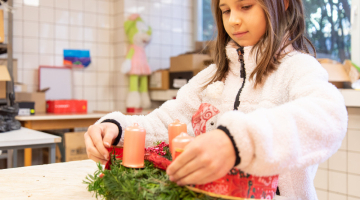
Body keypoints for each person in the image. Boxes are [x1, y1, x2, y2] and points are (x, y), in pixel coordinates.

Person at [84, 0, 347, 199]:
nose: (233, 20)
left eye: (245, 6)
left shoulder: (298, 69)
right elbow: (166, 123)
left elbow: (328, 116)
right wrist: (116, 129)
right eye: (226, 10)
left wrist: (237, 141)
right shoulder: (211, 76)